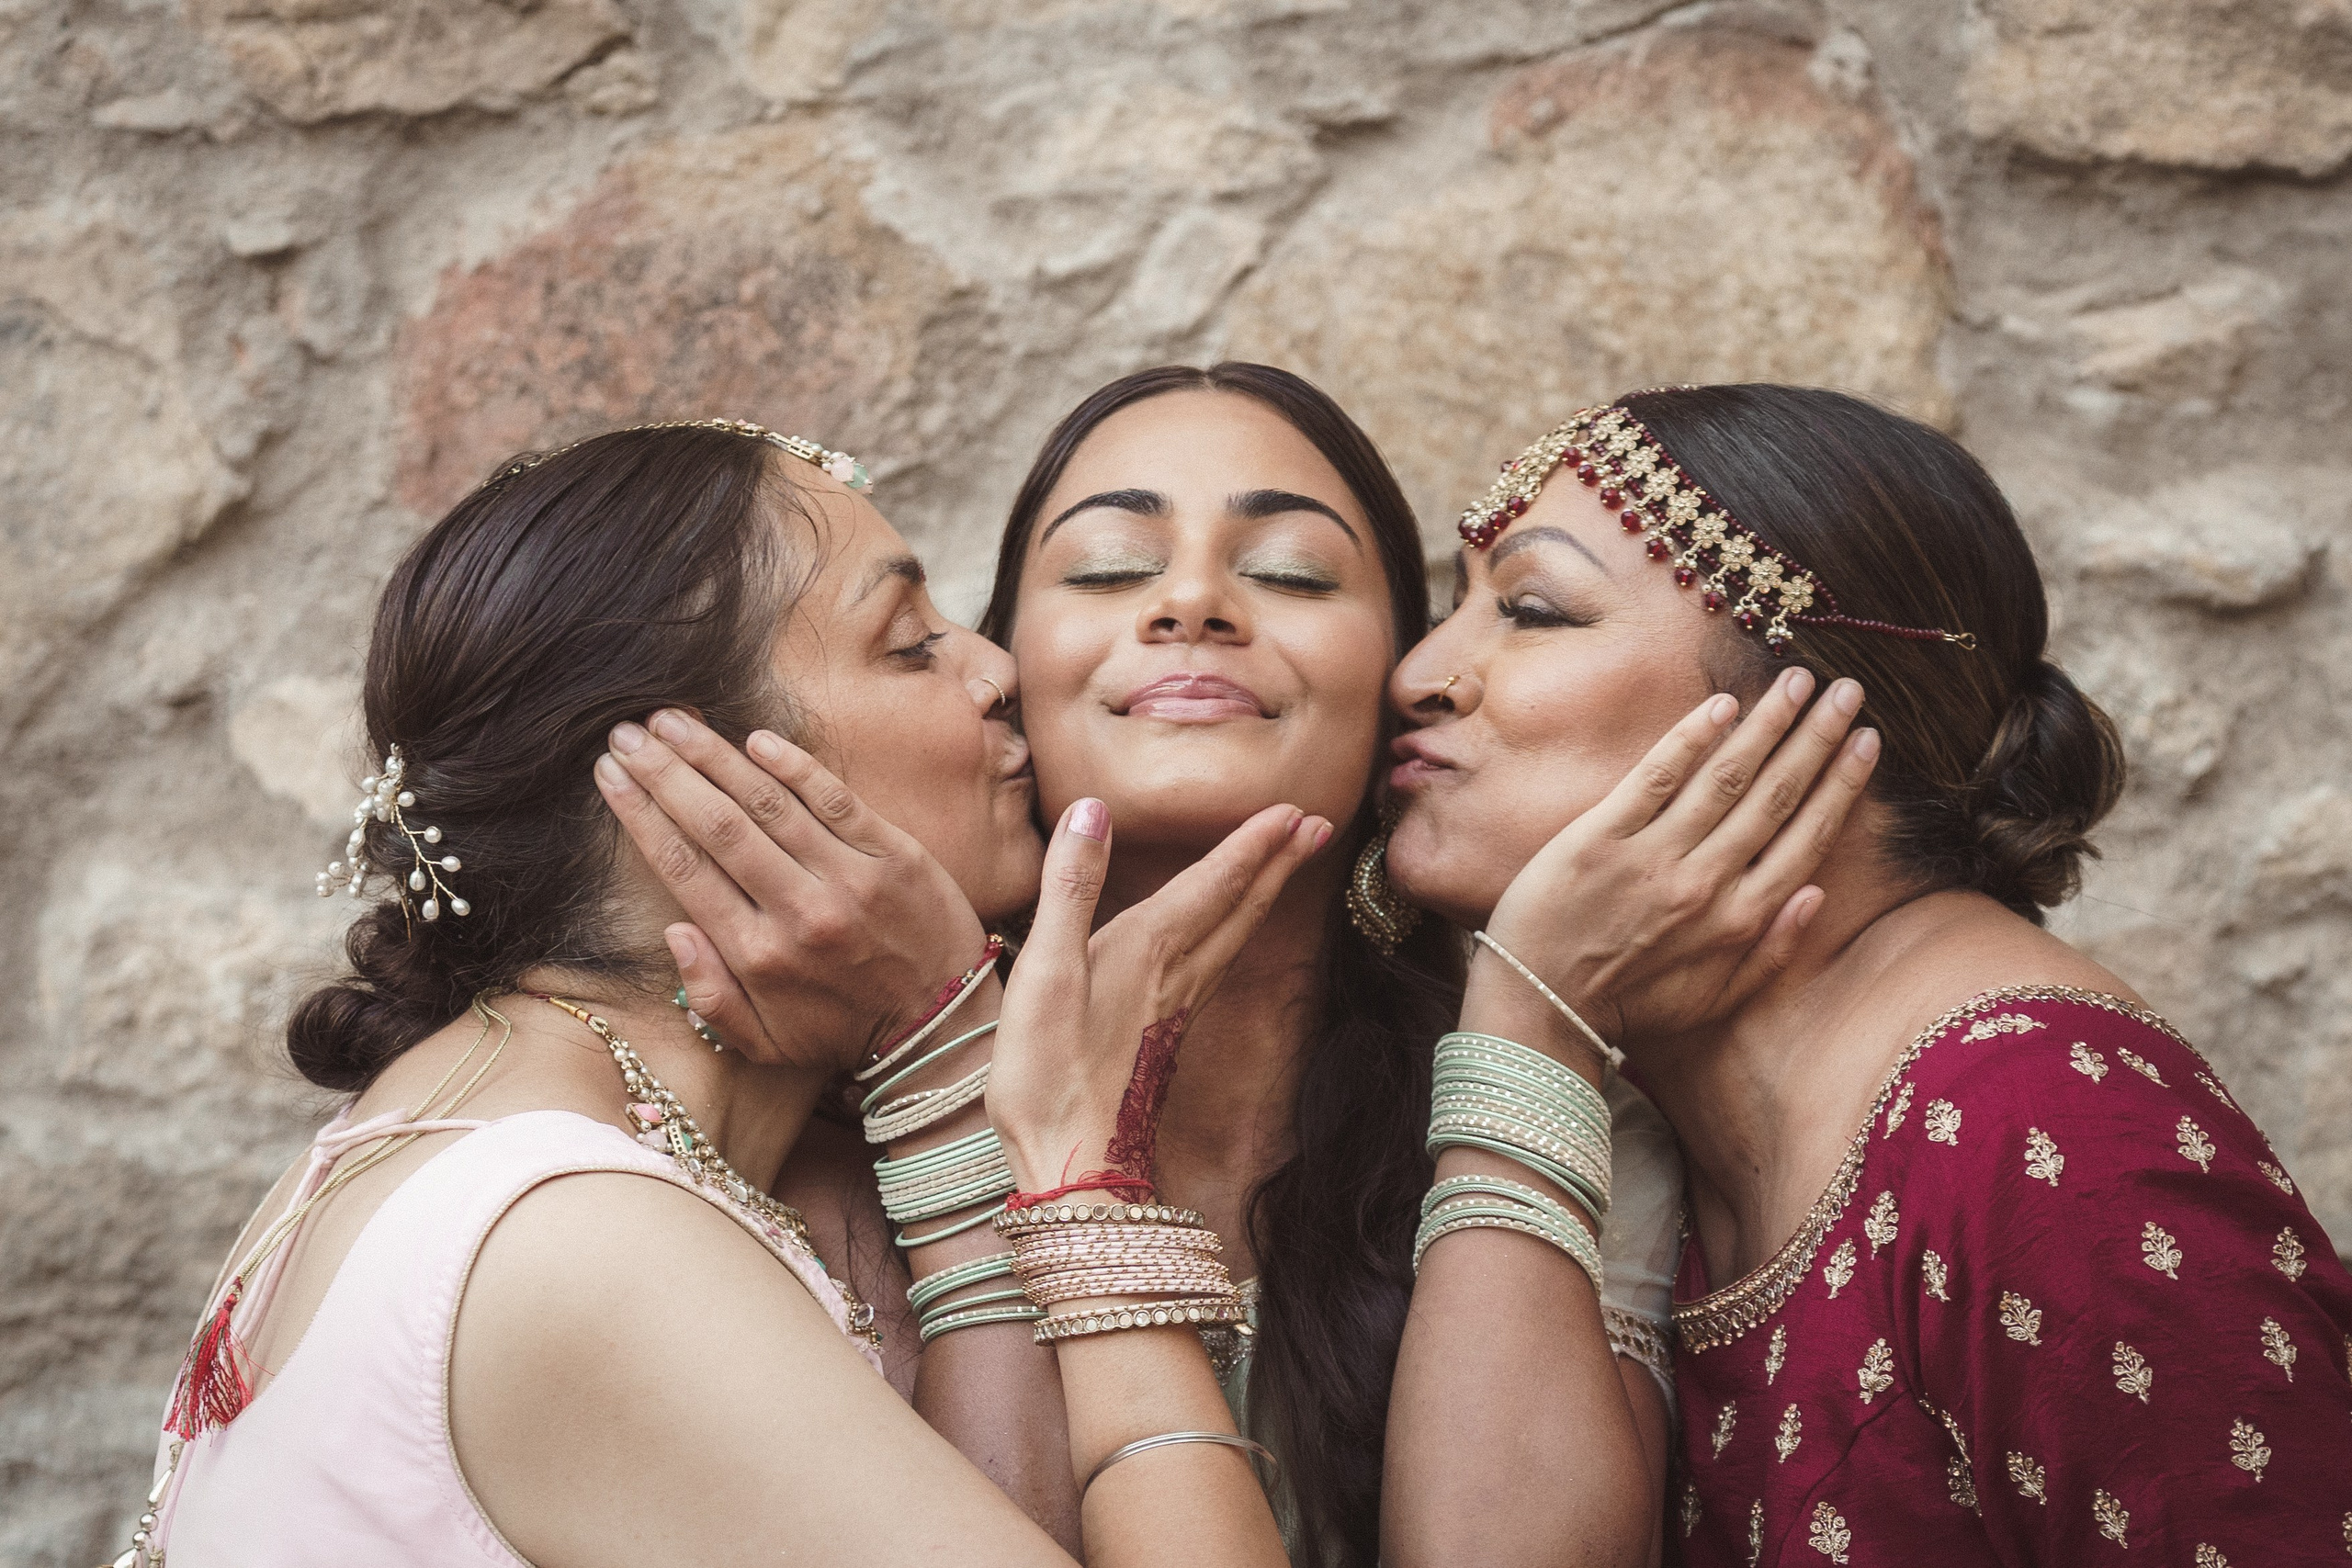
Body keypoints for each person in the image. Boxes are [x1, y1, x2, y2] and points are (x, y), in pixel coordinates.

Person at [637, 367, 1875, 1567]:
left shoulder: (1565, 1093)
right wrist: (949, 1076)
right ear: (1000, 670)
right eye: (1109, 567)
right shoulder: (832, 1109)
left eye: (1290, 572)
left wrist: (1529, 1018)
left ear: (1405, 682)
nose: (1191, 602)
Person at [115, 419, 1328, 1568]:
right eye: (912, 642)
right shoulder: (568, 1236)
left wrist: (946, 1061)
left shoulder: (499, 1112)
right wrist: (1072, 1166)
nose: (996, 669)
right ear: (687, 784)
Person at [1380, 384, 2352, 1562]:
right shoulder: (1670, 1121)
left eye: (1532, 611)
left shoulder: (2045, 1127)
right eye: (1452, 608)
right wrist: (1527, 1017)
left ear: (1806, 710)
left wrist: (1528, 1009)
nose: (1421, 672)